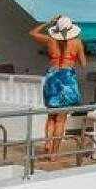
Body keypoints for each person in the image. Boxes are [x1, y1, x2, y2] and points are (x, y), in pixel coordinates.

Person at [27, 14, 85, 160]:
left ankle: (47, 143)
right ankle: (53, 154)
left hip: (52, 78)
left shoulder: (50, 40)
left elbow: (32, 33)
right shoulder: (77, 42)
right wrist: (74, 58)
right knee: (61, 119)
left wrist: (48, 22)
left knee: (51, 116)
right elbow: (84, 64)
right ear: (71, 29)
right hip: (67, 80)